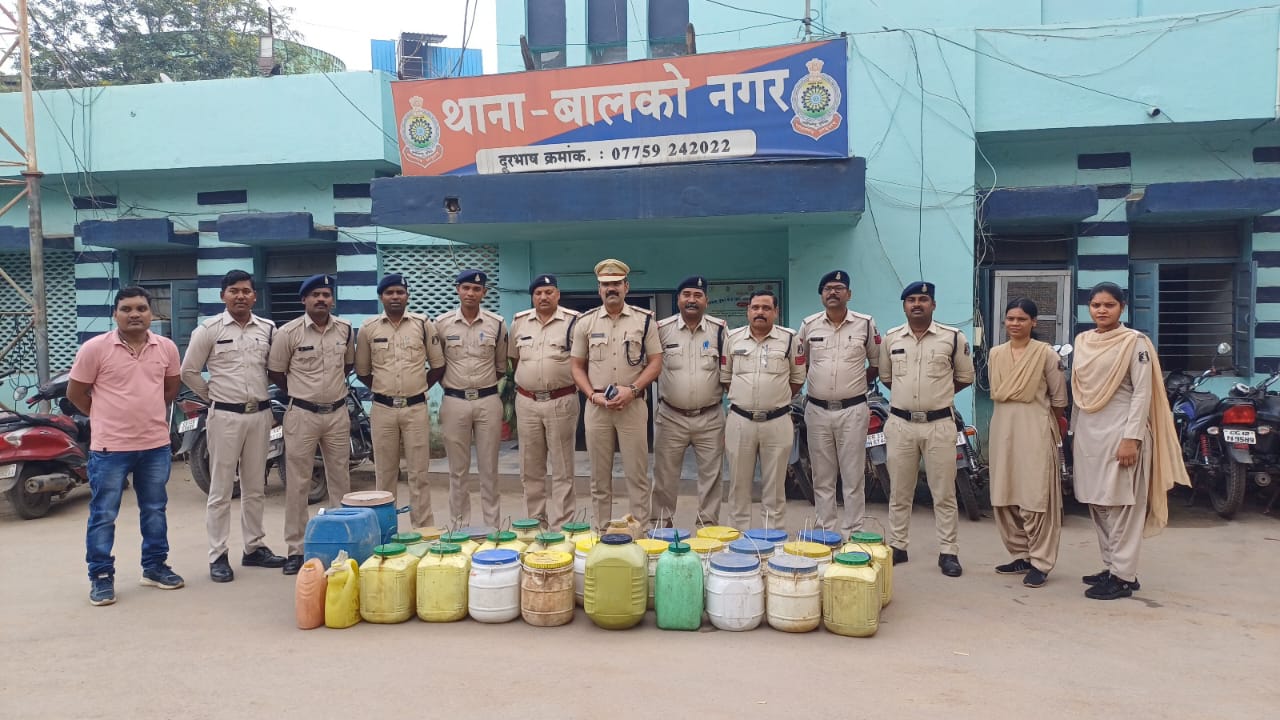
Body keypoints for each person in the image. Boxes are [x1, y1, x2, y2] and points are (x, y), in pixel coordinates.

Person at [1071, 282, 1187, 600]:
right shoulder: (1082, 341)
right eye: (1096, 305)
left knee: (1122, 504)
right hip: (1089, 434)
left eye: (1109, 305)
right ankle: (1112, 566)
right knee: (1097, 502)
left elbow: (1142, 393)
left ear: (1122, 307)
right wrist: (1074, 434)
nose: (1102, 310)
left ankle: (1124, 577)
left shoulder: (1135, 343)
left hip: (1121, 431)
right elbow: (1079, 391)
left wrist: (1131, 439)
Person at [68, 287, 184, 605]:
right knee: (104, 514)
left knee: (154, 509)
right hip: (110, 449)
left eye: (141, 308)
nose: (135, 314)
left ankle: (155, 567)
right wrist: (104, 417)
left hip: (155, 446)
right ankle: (101, 576)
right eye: (127, 309)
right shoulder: (95, 349)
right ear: (115, 314)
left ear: (151, 313)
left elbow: (170, 389)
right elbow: (75, 394)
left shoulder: (166, 348)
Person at [181, 270, 286, 583]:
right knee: (221, 488)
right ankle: (218, 555)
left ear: (254, 296)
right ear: (223, 295)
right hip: (225, 417)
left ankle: (254, 548)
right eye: (234, 291)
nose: (240, 296)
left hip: (260, 415)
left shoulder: (268, 329)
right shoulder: (209, 329)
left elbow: (275, 367)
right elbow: (188, 371)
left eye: (246, 291)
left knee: (255, 486)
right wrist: (213, 396)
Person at [878, 281, 974, 578]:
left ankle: (948, 552)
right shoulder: (891, 339)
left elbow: (965, 377)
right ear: (904, 306)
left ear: (933, 305)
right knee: (899, 491)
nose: (917, 304)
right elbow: (887, 378)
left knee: (943, 493)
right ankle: (898, 546)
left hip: (939, 425)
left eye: (923, 299)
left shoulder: (953, 338)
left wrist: (937, 396)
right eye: (911, 300)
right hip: (901, 424)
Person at [267, 274, 356, 575]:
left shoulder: (344, 329)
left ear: (332, 300)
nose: (321, 299)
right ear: (304, 299)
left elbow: (348, 365)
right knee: (298, 483)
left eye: (326, 295)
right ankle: (296, 549)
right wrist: (301, 392)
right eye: (315, 295)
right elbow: (276, 371)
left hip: (337, 413)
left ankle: (343, 544)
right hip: (302, 414)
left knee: (340, 480)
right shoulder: (288, 332)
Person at [571, 259, 663, 530]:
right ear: (599, 289)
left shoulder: (644, 320)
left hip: (632, 404)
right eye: (606, 284)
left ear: (626, 287)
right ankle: (602, 531)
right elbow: (576, 366)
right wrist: (592, 395)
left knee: (637, 475)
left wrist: (633, 390)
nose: (611, 288)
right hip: (597, 406)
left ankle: (639, 532)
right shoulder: (585, 322)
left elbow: (656, 362)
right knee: (599, 478)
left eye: (616, 284)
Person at [355, 273, 446, 530]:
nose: (395, 297)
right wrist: (384, 390)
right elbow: (362, 371)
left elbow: (438, 366)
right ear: (381, 297)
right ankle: (386, 531)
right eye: (389, 293)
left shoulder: (422, 324)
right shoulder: (368, 328)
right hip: (383, 409)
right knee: (385, 474)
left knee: (419, 473)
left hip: (415, 408)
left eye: (400, 292)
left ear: (407, 296)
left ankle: (423, 528)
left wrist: (416, 388)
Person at [987, 298, 1067, 589]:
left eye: (1021, 319)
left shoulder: (1046, 354)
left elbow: (1059, 400)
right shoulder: (996, 353)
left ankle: (1041, 561)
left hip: (1035, 427)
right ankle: (1020, 554)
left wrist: (1045, 426)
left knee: (1036, 495)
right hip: (1003, 428)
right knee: (1004, 492)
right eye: (1010, 318)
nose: (1015, 324)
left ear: (1034, 322)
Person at [797, 269, 880, 535]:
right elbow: (801, 364)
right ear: (821, 295)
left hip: (853, 410)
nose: (833, 292)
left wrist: (854, 385)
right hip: (817, 410)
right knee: (822, 475)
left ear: (849, 294)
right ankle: (825, 530)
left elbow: (876, 363)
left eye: (839, 288)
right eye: (827, 289)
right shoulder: (809, 325)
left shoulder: (865, 324)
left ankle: (853, 531)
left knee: (853, 474)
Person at [721, 290, 805, 530]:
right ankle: (738, 539)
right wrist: (747, 400)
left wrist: (773, 399)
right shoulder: (733, 338)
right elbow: (726, 378)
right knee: (738, 486)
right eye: (755, 307)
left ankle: (772, 538)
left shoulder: (790, 339)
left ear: (775, 312)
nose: (760, 312)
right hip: (740, 421)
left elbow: (797, 379)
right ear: (748, 311)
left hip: (777, 421)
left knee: (775, 487)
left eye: (766, 308)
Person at [435, 269, 508, 527]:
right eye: (466, 288)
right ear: (458, 289)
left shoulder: (496, 324)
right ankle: (459, 528)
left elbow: (501, 366)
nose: (470, 293)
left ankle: (492, 528)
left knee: (489, 469)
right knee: (457, 470)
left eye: (477, 289)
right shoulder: (441, 324)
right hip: (454, 400)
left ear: (484, 293)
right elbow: (437, 363)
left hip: (488, 400)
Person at [653, 275, 727, 526]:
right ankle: (662, 525)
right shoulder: (661, 329)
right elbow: (648, 367)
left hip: (710, 416)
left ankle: (707, 527)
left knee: (712, 476)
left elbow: (728, 370)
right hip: (670, 416)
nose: (691, 300)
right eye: (686, 295)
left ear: (706, 300)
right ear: (678, 300)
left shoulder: (719, 330)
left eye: (697, 295)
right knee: (664, 474)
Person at [509, 274, 581, 529]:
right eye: (538, 293)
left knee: (563, 468)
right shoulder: (519, 322)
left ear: (558, 295)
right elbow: (515, 359)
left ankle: (562, 526)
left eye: (549, 292)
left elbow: (582, 361)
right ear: (532, 296)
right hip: (527, 402)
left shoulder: (574, 321)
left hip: (561, 400)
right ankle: (535, 523)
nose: (543, 297)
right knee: (530, 468)